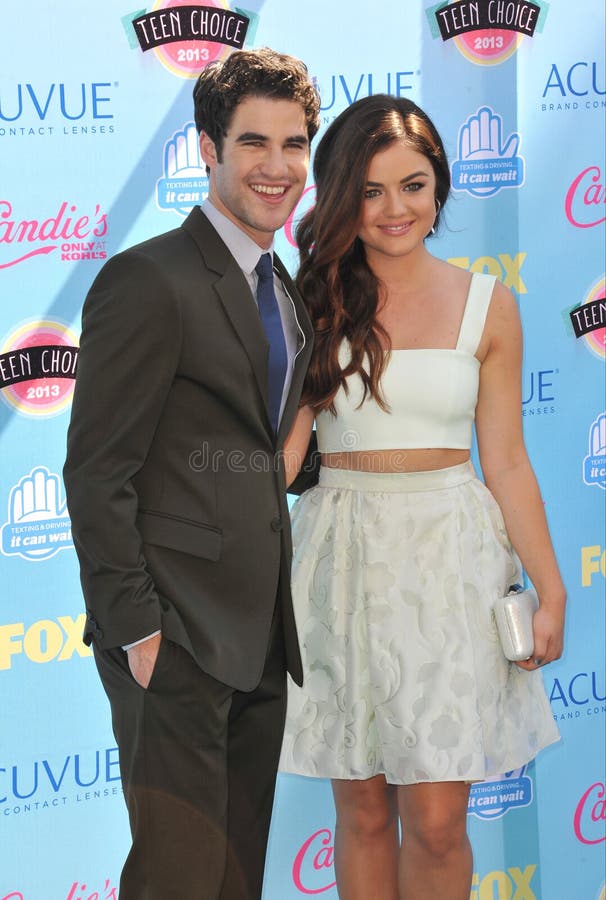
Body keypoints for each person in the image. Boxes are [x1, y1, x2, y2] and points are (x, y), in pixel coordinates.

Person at [279, 95, 565, 900]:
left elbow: (506, 461)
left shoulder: (488, 305)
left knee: (437, 823)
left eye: (412, 185)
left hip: (449, 562)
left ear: (438, 187)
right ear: (341, 196)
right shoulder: (314, 302)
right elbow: (288, 452)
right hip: (339, 557)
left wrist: (551, 586)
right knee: (364, 811)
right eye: (370, 191)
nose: (394, 209)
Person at [63, 48, 320, 900]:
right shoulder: (148, 280)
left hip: (259, 646)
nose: (275, 167)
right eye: (253, 142)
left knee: (235, 882)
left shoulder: (282, 289)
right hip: (174, 644)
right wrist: (139, 633)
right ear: (207, 148)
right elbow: (99, 473)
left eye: (293, 144)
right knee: (176, 884)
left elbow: (253, 451)